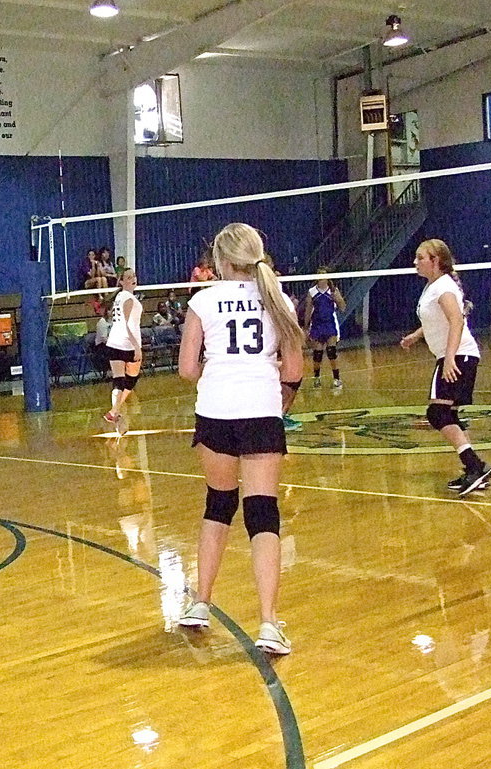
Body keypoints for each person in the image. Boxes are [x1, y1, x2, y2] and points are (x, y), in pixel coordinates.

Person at [174, 222, 302, 656]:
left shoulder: (203, 299)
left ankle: (200, 604)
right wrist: (279, 400)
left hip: (216, 413)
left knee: (219, 503)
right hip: (260, 412)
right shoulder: (277, 298)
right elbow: (294, 369)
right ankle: (268, 623)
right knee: (262, 513)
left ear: (220, 261)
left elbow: (187, 369)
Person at [400, 239, 491, 496]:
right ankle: (474, 469)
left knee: (437, 414)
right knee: (447, 414)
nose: (415, 262)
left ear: (436, 261)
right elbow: (438, 319)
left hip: (457, 355)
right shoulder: (434, 287)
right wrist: (416, 335)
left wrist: (450, 358)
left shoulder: (443, 287)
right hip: (457, 355)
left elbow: (456, 320)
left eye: (421, 258)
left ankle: (475, 465)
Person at [102, 268, 142, 435]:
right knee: (131, 381)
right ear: (122, 281)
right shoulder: (127, 298)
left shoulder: (119, 296)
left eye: (133, 275)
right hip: (126, 344)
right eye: (128, 277)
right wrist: (137, 347)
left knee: (119, 381)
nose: (132, 278)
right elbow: (126, 324)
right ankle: (114, 411)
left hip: (113, 343)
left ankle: (114, 413)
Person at [303, 269, 346, 389]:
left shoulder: (333, 291)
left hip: (330, 324)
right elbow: (308, 310)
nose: (321, 278)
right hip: (317, 325)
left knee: (331, 352)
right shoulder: (312, 292)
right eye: (319, 275)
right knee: (317, 354)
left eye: (324, 275)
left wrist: (337, 298)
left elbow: (343, 308)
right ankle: (317, 378)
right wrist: (306, 328)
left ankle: (337, 379)